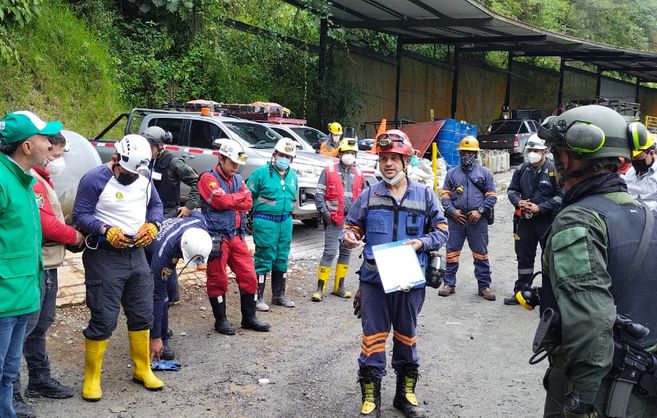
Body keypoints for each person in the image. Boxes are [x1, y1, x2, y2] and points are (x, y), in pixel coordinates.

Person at [534, 105, 657, 417]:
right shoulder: (647, 214)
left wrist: (581, 401)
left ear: (569, 158)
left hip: (602, 393)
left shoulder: (578, 221)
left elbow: (589, 324)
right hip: (643, 388)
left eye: (556, 151)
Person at [341, 129, 448, 418]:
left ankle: (405, 394)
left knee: (406, 336)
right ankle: (371, 398)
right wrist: (349, 236)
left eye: (394, 158)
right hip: (375, 281)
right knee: (373, 338)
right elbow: (351, 227)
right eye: (384, 158)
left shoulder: (425, 195)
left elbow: (441, 230)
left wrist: (421, 243)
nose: (388, 163)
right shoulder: (369, 195)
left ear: (406, 161)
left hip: (409, 280)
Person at [72, 134, 164, 401]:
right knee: (104, 317)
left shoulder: (144, 178)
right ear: (115, 159)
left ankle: (142, 368)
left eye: (137, 173)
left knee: (142, 313)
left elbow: (155, 205)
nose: (132, 177)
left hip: (136, 255)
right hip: (105, 256)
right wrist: (104, 229)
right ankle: (92, 377)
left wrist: (154, 224)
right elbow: (80, 214)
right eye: (127, 171)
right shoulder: (94, 179)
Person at [12, 133, 85, 417]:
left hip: (49, 263)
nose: (59, 159)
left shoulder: (42, 179)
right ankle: (13, 392)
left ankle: (39, 378)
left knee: (41, 323)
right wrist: (75, 235)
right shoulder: (32, 181)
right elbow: (45, 225)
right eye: (56, 153)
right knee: (24, 327)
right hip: (38, 264)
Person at [0, 111, 59, 418]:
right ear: (26, 146)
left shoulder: (23, 181)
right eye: (44, 138)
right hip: (4, 299)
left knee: (8, 374)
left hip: (23, 294)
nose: (50, 144)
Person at [198, 138, 270, 335]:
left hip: (236, 236)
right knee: (217, 279)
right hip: (217, 237)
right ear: (221, 159)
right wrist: (236, 199)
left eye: (238, 164)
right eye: (232, 163)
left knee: (249, 276)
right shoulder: (208, 178)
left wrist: (233, 200)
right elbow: (219, 201)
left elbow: (249, 202)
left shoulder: (237, 179)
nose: (235, 167)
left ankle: (249, 318)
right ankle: (220, 321)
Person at [144, 125, 201, 306]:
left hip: (168, 214)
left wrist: (189, 206)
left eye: (150, 146)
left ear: (160, 146)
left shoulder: (173, 162)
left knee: (165, 254)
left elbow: (197, 182)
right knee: (149, 254)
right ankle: (156, 292)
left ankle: (170, 295)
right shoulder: (146, 161)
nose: (147, 150)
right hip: (149, 213)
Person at [145, 212, 212, 361]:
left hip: (173, 233)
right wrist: (156, 337)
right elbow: (157, 294)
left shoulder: (200, 225)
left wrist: (186, 209)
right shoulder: (163, 254)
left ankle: (161, 329)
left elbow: (195, 213)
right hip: (147, 249)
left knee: (170, 291)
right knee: (159, 294)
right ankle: (157, 337)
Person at [503, 135, 562, 305]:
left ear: (545, 152)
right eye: (530, 150)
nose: (532, 154)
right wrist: (518, 202)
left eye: (536, 150)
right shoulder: (522, 169)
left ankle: (549, 296)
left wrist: (540, 207)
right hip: (525, 222)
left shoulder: (554, 171)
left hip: (546, 222)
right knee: (524, 258)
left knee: (549, 258)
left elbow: (562, 196)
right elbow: (512, 191)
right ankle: (522, 292)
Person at [438, 136, 497, 301]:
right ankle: (449, 284)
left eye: (470, 153)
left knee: (481, 254)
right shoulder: (451, 173)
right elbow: (445, 196)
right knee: (451, 253)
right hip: (456, 220)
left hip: (477, 220)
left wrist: (480, 211)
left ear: (476, 154)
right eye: (464, 152)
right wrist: (451, 211)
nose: (466, 156)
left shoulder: (484, 173)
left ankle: (484, 286)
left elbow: (492, 196)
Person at [247, 138, 298, 311]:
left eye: (288, 156)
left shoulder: (292, 175)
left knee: (282, 257)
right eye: (281, 155)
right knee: (264, 257)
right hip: (265, 221)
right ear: (274, 155)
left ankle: (279, 295)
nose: (284, 159)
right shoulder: (261, 173)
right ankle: (258, 296)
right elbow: (248, 196)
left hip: (286, 221)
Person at [312, 137, 364, 301]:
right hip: (334, 220)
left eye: (352, 153)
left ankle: (339, 288)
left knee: (346, 252)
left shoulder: (359, 173)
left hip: (351, 222)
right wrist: (326, 214)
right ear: (340, 153)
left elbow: (362, 197)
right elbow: (319, 194)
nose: (349, 155)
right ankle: (320, 289)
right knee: (330, 252)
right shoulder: (329, 170)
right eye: (346, 152)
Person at [622, 134, 657, 212]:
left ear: (652, 153)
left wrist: (640, 206)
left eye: (638, 158)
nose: (635, 162)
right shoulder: (631, 171)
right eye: (632, 159)